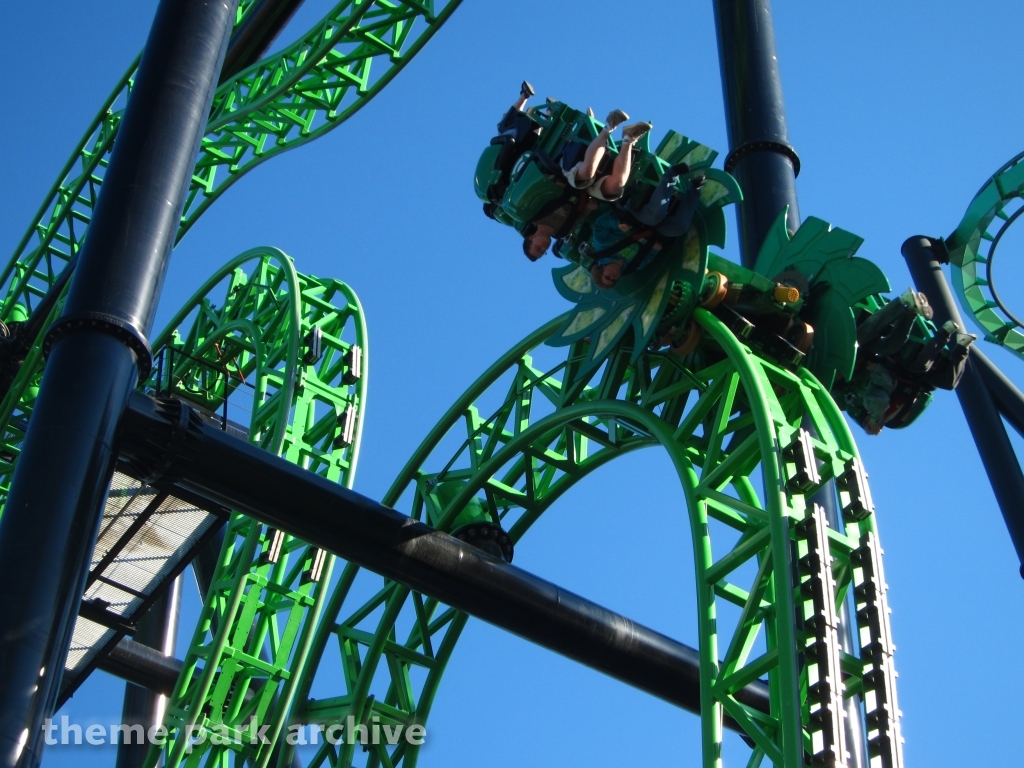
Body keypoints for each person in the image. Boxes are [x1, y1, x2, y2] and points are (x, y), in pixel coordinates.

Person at [522, 110, 652, 261]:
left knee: (586, 174)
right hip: (584, 191)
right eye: (543, 251)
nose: (544, 247)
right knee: (616, 186)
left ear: (531, 237)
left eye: (538, 247)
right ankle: (629, 138)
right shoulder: (562, 232)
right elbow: (580, 215)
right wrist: (589, 208)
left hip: (566, 174)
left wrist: (552, 180)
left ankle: (609, 126)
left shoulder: (532, 214)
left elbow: (538, 184)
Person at [586, 164, 704, 288]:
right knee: (679, 228)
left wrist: (617, 225)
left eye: (607, 277)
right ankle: (695, 188)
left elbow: (600, 226)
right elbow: (650, 255)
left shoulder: (603, 248)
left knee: (655, 215)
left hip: (633, 215)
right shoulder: (633, 266)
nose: (612, 277)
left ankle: (672, 174)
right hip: (650, 231)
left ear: (601, 270)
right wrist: (655, 249)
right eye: (613, 280)